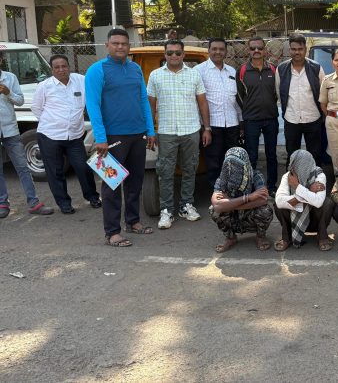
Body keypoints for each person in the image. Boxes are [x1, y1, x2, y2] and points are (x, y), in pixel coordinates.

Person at [86, 28, 157, 247]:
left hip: (138, 134)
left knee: (135, 182)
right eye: (115, 43)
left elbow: (143, 100)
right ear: (107, 45)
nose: (120, 47)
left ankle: (133, 222)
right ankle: (112, 232)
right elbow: (93, 106)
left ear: (129, 46)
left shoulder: (135, 69)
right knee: (112, 184)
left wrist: (150, 130)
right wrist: (100, 138)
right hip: (112, 137)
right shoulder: (97, 70)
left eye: (124, 43)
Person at [147, 40, 211, 230]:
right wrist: (150, 130)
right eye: (170, 53)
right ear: (165, 55)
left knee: (190, 169)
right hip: (166, 132)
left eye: (177, 53)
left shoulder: (194, 75)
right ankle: (166, 210)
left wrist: (207, 128)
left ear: (183, 54)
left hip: (191, 130)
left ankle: (186, 205)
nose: (173, 56)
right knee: (165, 172)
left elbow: (202, 102)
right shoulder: (155, 75)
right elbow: (150, 105)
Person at [31, 54, 101, 214]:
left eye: (64, 66)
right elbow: (36, 108)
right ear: (52, 70)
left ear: (69, 67)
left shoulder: (80, 80)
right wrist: (52, 122)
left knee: (83, 167)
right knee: (55, 172)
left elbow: (91, 98)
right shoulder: (44, 86)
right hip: (49, 136)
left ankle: (92, 197)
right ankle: (64, 203)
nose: (61, 70)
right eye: (57, 67)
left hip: (74, 137)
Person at [0, 52, 53, 218]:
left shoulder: (10, 78)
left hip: (10, 130)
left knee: (22, 167)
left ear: (0, 60)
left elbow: (20, 101)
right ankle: (2, 203)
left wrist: (8, 92)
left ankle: (34, 202)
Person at [195, 37, 243, 188]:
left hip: (232, 124)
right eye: (214, 49)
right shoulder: (199, 71)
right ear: (208, 50)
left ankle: (231, 189)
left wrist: (241, 122)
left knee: (232, 159)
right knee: (213, 160)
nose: (218, 52)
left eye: (221, 49)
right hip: (212, 125)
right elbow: (197, 101)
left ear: (226, 51)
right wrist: (204, 127)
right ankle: (216, 192)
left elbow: (236, 99)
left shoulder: (232, 71)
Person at [209, 147, 273, 252]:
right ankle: (231, 238)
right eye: (229, 165)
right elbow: (217, 206)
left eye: (237, 165)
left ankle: (260, 237)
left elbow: (263, 200)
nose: (232, 168)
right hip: (232, 217)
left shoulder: (256, 176)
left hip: (249, 216)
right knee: (213, 210)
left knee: (265, 210)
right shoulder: (221, 180)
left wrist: (230, 203)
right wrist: (249, 197)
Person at [237, 36, 278, 193]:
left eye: (259, 48)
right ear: (248, 50)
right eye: (253, 48)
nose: (256, 50)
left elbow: (276, 93)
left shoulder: (273, 69)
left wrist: (268, 105)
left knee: (271, 155)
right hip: (251, 120)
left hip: (271, 119)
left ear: (265, 50)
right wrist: (249, 108)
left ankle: (272, 187)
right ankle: (253, 188)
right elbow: (239, 96)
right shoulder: (242, 71)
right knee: (252, 156)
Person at [275, 33, 325, 165]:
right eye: (294, 49)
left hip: (313, 118)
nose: (297, 52)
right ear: (289, 49)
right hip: (291, 119)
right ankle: (293, 178)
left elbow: (323, 93)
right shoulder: (281, 69)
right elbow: (280, 93)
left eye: (300, 49)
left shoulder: (316, 68)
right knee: (292, 156)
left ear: (305, 49)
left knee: (315, 155)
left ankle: (315, 177)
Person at [274, 149, 334, 252]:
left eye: (300, 165)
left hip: (313, 221)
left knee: (327, 203)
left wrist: (297, 187)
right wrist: (307, 191)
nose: (295, 168)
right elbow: (279, 201)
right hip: (293, 220)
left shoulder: (319, 175)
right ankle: (286, 238)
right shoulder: (288, 176)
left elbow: (318, 202)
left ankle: (322, 237)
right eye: (294, 165)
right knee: (278, 206)